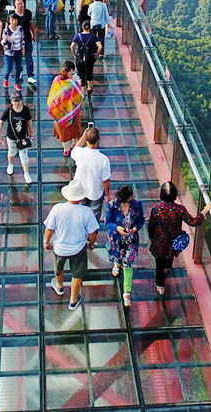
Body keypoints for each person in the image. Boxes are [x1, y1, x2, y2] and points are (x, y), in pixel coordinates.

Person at [147, 181, 211, 295]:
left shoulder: (156, 209)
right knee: (169, 257)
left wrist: (152, 236)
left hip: (159, 242)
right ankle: (167, 267)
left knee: (159, 264)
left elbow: (151, 226)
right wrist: (204, 211)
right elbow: (193, 222)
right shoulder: (180, 210)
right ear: (175, 195)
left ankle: (160, 286)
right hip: (173, 243)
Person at [43, 177, 98, 311]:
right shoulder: (87, 212)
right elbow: (92, 233)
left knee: (58, 267)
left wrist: (47, 242)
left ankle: (60, 287)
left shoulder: (57, 209)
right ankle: (73, 300)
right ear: (81, 196)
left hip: (60, 248)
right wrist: (92, 244)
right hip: (78, 249)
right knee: (77, 274)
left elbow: (49, 229)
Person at [106, 185, 145, 306]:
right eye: (130, 196)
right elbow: (107, 222)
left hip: (131, 240)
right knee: (117, 257)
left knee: (128, 264)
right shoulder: (112, 206)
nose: (133, 197)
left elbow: (141, 220)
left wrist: (135, 228)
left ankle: (126, 293)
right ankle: (117, 264)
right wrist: (117, 228)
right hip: (116, 240)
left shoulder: (137, 205)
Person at [70, 125, 111, 223]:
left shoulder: (79, 153)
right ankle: (92, 234)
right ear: (99, 139)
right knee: (94, 217)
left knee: (80, 213)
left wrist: (83, 136)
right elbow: (106, 180)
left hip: (80, 189)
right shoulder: (103, 159)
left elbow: (76, 147)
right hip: (96, 191)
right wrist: (108, 195)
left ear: (86, 139)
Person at [47, 60, 85, 156]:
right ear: (71, 70)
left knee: (62, 131)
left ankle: (65, 149)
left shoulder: (56, 79)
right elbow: (78, 95)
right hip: (72, 110)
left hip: (59, 111)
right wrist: (78, 84)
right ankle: (74, 144)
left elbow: (53, 94)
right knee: (74, 128)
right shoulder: (72, 83)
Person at [0, 92, 34, 184]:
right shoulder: (8, 111)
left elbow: (29, 121)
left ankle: (26, 173)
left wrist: (32, 132)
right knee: (12, 152)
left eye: (19, 100)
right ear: (12, 101)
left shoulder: (25, 109)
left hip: (23, 137)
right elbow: (1, 122)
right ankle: (10, 164)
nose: (17, 103)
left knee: (24, 156)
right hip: (12, 137)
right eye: (15, 101)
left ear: (22, 100)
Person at [70, 20, 102, 92]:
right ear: (89, 28)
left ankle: (82, 89)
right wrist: (97, 54)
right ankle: (89, 87)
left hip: (80, 57)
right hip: (90, 57)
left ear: (82, 27)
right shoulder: (93, 36)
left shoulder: (78, 36)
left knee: (81, 73)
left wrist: (75, 54)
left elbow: (72, 46)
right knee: (89, 71)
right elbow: (100, 46)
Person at [12, 0, 37, 85]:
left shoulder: (27, 13)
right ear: (15, 5)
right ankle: (19, 72)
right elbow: (8, 27)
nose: (20, 5)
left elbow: (31, 24)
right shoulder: (12, 14)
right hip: (16, 41)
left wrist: (34, 34)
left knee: (29, 57)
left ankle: (30, 75)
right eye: (18, 4)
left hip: (27, 38)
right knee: (18, 58)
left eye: (21, 3)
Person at [0, 13, 25, 89]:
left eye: (15, 19)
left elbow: (22, 39)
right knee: (9, 68)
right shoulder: (6, 31)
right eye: (12, 20)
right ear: (9, 21)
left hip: (18, 50)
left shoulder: (20, 28)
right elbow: (2, 43)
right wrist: (5, 40)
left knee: (18, 67)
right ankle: (5, 78)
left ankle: (17, 83)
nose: (14, 21)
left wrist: (23, 48)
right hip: (9, 52)